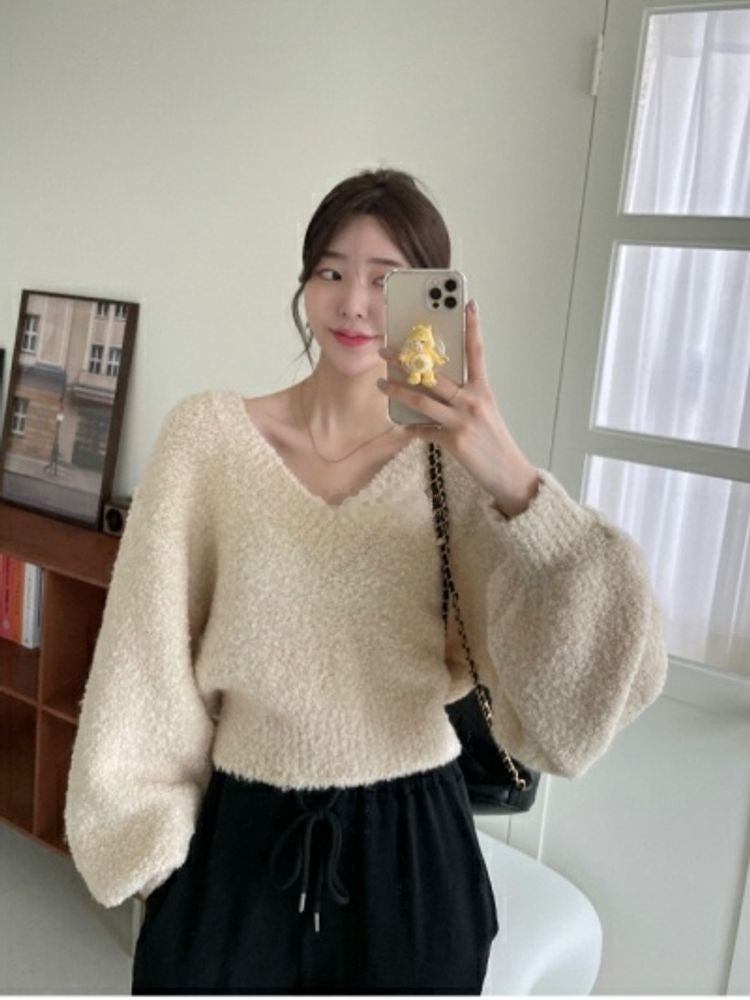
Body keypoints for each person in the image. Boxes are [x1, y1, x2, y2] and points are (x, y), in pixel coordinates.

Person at [63, 167, 669, 995]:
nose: (354, 303)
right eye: (332, 271)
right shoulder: (207, 441)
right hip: (242, 838)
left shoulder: (454, 464)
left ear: (435, 301)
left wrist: (511, 474)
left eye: (388, 281)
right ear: (304, 283)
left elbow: (598, 686)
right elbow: (143, 658)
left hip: (414, 854)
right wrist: (153, 856)